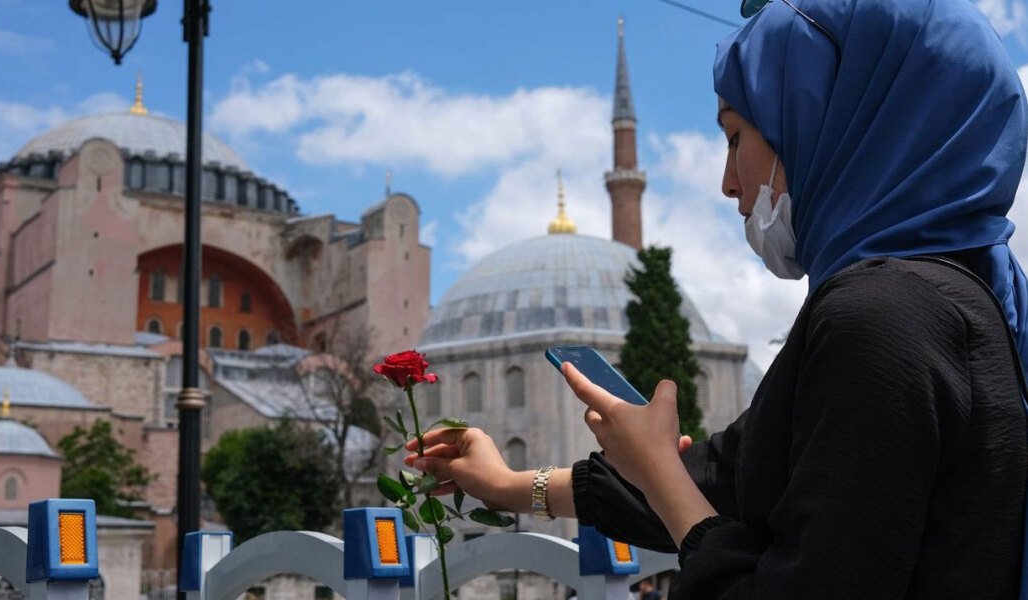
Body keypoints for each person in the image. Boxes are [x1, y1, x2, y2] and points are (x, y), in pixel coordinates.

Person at [405, 0, 1028, 597]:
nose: (729, 182)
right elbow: (739, 476)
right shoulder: (958, 296)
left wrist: (663, 478)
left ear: (819, 124)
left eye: (736, 138)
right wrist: (514, 486)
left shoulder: (881, 320)